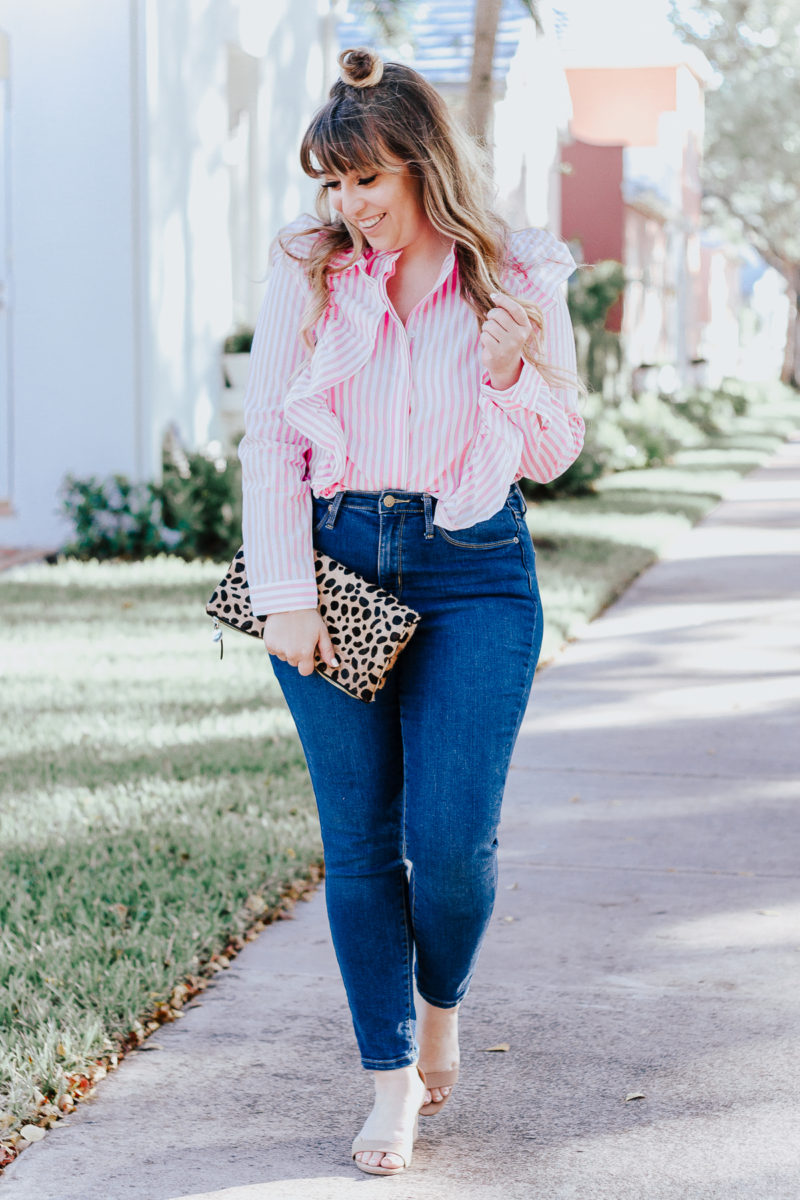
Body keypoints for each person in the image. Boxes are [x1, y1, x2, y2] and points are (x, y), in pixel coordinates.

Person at [238, 47, 584, 1177]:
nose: (348, 209)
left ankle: (442, 1001)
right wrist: (285, 593)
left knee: (450, 849)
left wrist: (506, 377)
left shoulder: (517, 273)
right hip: (337, 565)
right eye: (332, 186)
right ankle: (388, 1080)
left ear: (422, 166)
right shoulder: (309, 272)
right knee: (358, 847)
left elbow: (556, 447)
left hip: (473, 569)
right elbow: (270, 442)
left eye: (367, 184)